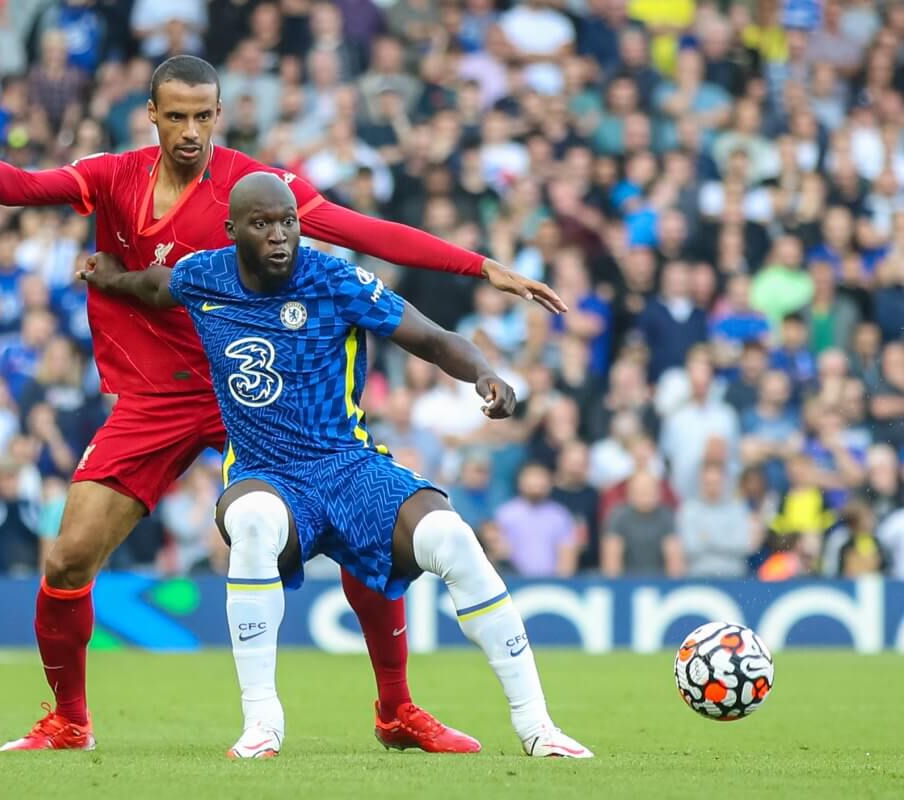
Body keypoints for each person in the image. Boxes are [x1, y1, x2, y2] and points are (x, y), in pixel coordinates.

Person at [0, 55, 564, 752]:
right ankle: (69, 721)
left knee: (357, 523)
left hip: (263, 394)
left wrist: (479, 266)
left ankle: (396, 708)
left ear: (218, 115)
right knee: (69, 558)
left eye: (204, 116)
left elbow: (364, 233)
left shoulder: (261, 188)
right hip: (159, 394)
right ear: (153, 115)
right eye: (178, 116)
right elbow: (32, 187)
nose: (191, 131)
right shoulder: (113, 175)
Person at [82, 171, 591, 760]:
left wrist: (483, 373)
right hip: (266, 472)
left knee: (452, 537)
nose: (280, 235)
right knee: (250, 526)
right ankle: (261, 724)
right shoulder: (206, 276)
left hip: (348, 467)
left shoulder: (335, 279)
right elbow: (152, 287)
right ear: (232, 231)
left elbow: (429, 337)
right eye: (263, 224)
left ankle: (537, 727)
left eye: (289, 222)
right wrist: (110, 277)